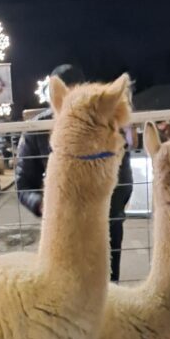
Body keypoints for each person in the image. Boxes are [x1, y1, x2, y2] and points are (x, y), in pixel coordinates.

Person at [15, 63, 134, 282]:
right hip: (63, 228)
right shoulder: (37, 129)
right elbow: (24, 184)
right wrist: (46, 205)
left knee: (106, 288)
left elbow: (123, 177)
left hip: (104, 227)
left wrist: (104, 210)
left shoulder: (106, 122)